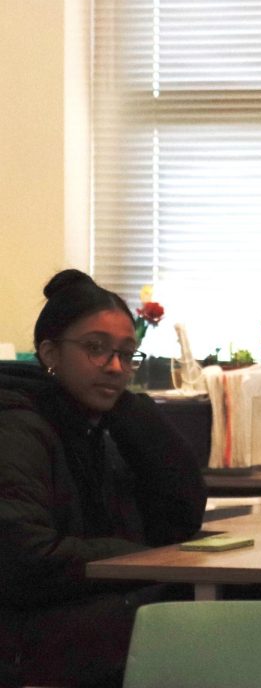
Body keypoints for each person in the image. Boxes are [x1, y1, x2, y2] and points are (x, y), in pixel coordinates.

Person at [0, 270, 207, 688]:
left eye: (127, 354)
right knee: (199, 613)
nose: (115, 367)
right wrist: (137, 557)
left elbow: (177, 523)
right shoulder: (17, 425)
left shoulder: (99, 425)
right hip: (22, 633)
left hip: (77, 608)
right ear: (49, 353)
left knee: (232, 597)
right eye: (96, 349)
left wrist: (133, 411)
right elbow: (25, 560)